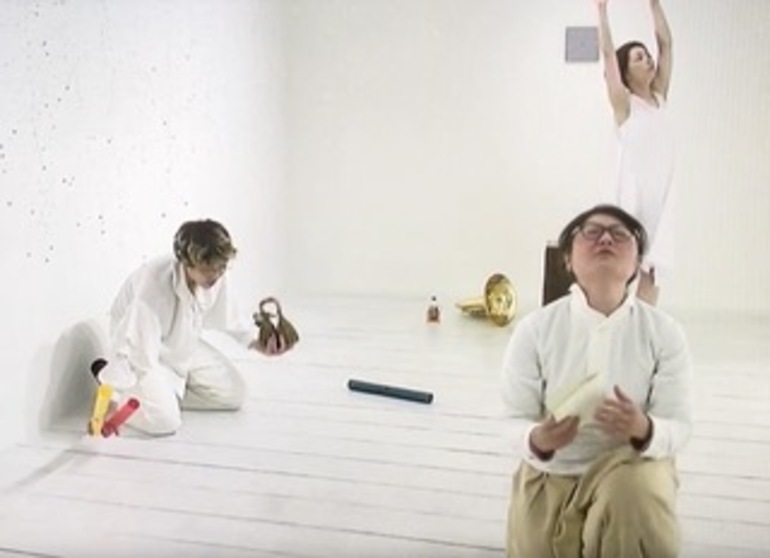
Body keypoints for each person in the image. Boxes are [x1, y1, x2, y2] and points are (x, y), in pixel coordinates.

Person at [501, 204, 693, 557]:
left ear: (637, 263)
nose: (605, 239)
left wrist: (644, 429)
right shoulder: (534, 330)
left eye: (620, 234)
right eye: (591, 232)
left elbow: (679, 425)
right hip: (551, 474)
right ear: (568, 259)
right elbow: (512, 420)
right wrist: (538, 438)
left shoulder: (665, 333)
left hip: (633, 467)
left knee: (631, 496)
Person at [93, 219, 264, 436]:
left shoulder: (215, 273)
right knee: (166, 422)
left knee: (235, 394)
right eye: (207, 269)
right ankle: (109, 377)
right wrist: (112, 395)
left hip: (182, 344)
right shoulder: (152, 285)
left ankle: (164, 397)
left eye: (221, 268)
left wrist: (256, 342)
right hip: (145, 351)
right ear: (186, 262)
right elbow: (130, 344)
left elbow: (229, 315)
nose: (215, 275)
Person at [595, 0, 675, 305]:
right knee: (624, 278)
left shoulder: (659, 98)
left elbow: (666, 45)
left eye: (646, 55)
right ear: (626, 73)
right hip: (633, 204)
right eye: (639, 58)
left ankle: (643, 330)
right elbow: (608, 56)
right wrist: (602, 11)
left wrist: (653, 4)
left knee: (651, 281)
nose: (649, 60)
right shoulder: (625, 106)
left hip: (659, 205)